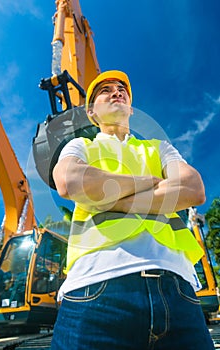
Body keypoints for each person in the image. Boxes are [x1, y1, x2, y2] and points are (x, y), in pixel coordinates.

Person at [51, 70, 214, 349]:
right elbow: (70, 181)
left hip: (176, 290)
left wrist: (111, 197)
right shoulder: (81, 146)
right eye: (105, 90)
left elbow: (193, 189)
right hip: (96, 288)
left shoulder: (159, 148)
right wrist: (146, 182)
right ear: (92, 112)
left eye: (121, 89)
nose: (117, 91)